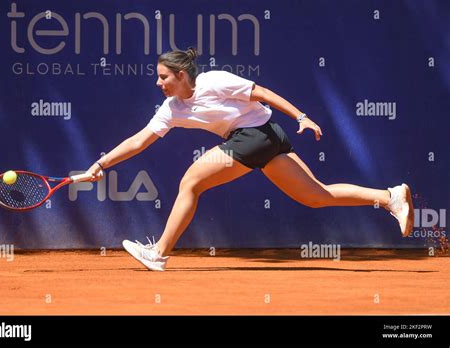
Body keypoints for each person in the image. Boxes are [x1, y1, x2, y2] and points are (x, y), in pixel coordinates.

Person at [85, 47, 414, 271]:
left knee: (191, 181)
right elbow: (139, 141)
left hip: (256, 134)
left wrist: (301, 116)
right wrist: (101, 164)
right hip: (263, 140)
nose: (159, 83)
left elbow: (262, 93)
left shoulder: (214, 81)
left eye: (163, 77)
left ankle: (159, 253)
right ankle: (390, 197)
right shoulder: (172, 109)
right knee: (316, 195)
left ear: (182, 75)